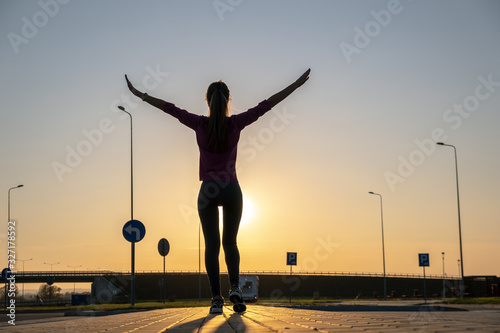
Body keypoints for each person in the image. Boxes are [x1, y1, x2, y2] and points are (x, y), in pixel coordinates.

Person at [125, 68, 310, 314]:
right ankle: (236, 288)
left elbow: (169, 108)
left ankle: (216, 298)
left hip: (208, 192)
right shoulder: (236, 123)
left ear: (207, 101)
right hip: (232, 189)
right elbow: (266, 105)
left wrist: (141, 95)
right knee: (230, 242)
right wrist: (295, 85)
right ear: (227, 101)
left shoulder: (199, 123)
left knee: (211, 246)